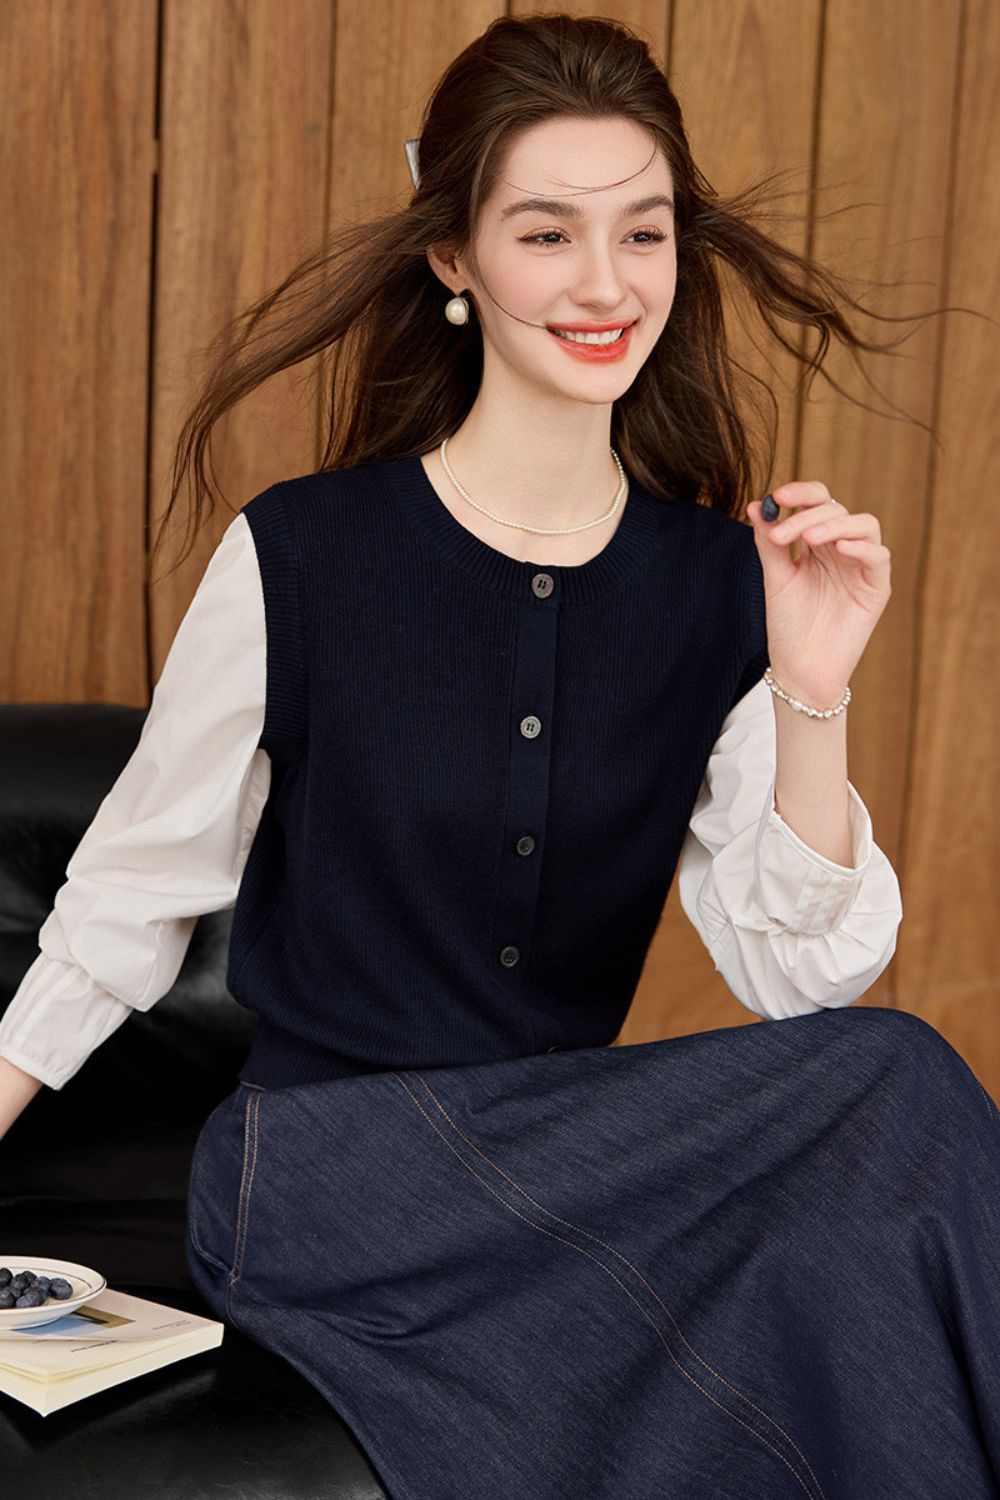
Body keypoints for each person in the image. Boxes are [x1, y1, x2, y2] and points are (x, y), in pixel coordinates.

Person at [3, 14, 999, 1498]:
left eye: (643, 233)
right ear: (455, 259)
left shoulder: (719, 584)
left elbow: (802, 980)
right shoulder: (300, 555)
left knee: (848, 1256)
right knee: (900, 1084)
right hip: (328, 1182)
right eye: (548, 232)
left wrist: (812, 686)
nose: (606, 285)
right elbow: (128, 904)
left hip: (560, 1180)